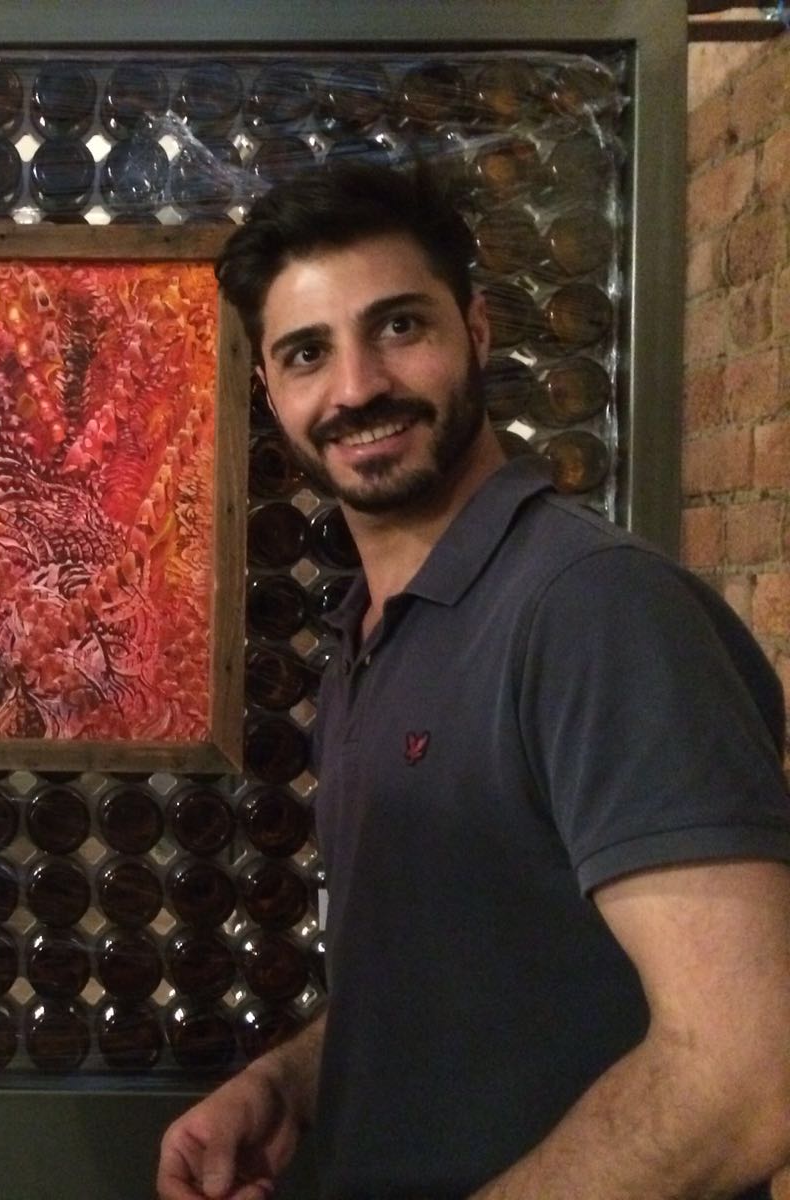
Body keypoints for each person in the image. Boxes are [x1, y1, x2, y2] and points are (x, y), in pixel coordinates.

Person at [157, 162, 790, 1199]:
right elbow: (473, 978)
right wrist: (290, 1084)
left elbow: (746, 1073)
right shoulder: (373, 632)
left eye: (399, 326)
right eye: (308, 352)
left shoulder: (592, 610)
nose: (357, 387)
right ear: (270, 391)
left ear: (478, 330)